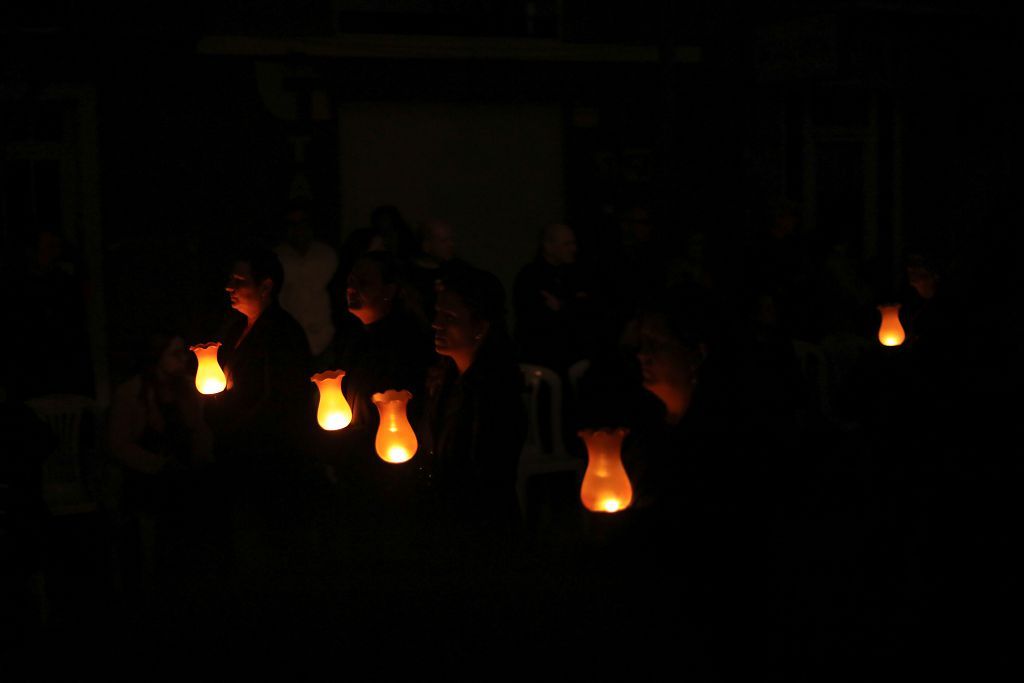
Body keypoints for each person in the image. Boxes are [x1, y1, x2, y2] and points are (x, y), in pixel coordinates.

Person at [422, 264, 526, 570]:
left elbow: (485, 477)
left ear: (481, 326)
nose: (435, 324)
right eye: (437, 313)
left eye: (449, 318)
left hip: (483, 541)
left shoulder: (493, 393)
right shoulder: (450, 379)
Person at [107, 331, 212, 595]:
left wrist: (200, 459)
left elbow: (199, 430)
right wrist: (157, 465)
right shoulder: (131, 393)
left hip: (184, 473)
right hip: (147, 476)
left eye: (183, 353)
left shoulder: (188, 388)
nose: (183, 360)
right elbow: (118, 444)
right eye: (175, 354)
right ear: (157, 357)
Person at [513, 223, 600, 374]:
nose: (574, 249)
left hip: (571, 358)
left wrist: (562, 307)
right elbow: (536, 320)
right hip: (543, 360)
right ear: (548, 246)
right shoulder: (531, 276)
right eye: (567, 244)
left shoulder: (576, 275)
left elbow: (590, 311)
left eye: (573, 243)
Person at [274, 202, 339, 366]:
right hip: (289, 341)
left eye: (303, 223)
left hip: (325, 337)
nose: (298, 229)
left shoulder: (327, 256)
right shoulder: (277, 258)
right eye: (293, 224)